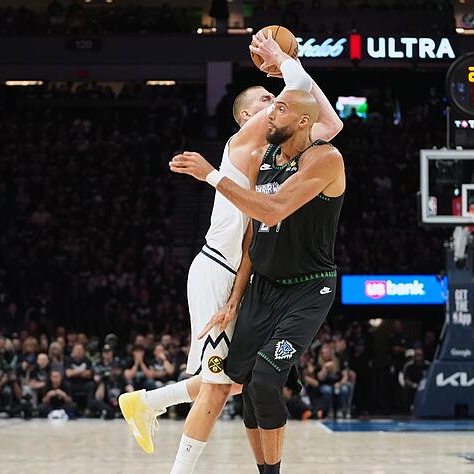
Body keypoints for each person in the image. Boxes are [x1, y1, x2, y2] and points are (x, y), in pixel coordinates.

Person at [120, 29, 342, 473]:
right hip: (217, 269)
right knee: (220, 385)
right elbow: (298, 91)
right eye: (267, 100)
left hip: (243, 270)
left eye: (276, 99)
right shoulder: (241, 145)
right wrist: (282, 59)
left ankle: (148, 402)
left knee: (234, 378)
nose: (275, 102)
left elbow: (328, 123)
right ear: (246, 117)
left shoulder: (274, 154)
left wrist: (291, 70)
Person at [171, 84, 345, 473]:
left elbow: (272, 210)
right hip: (262, 286)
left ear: (302, 120)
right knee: (243, 381)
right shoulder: (259, 158)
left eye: (279, 107)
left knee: (264, 380)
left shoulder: (324, 158)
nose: (272, 112)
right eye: (268, 104)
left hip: (308, 288)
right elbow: (254, 235)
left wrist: (212, 175)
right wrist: (235, 300)